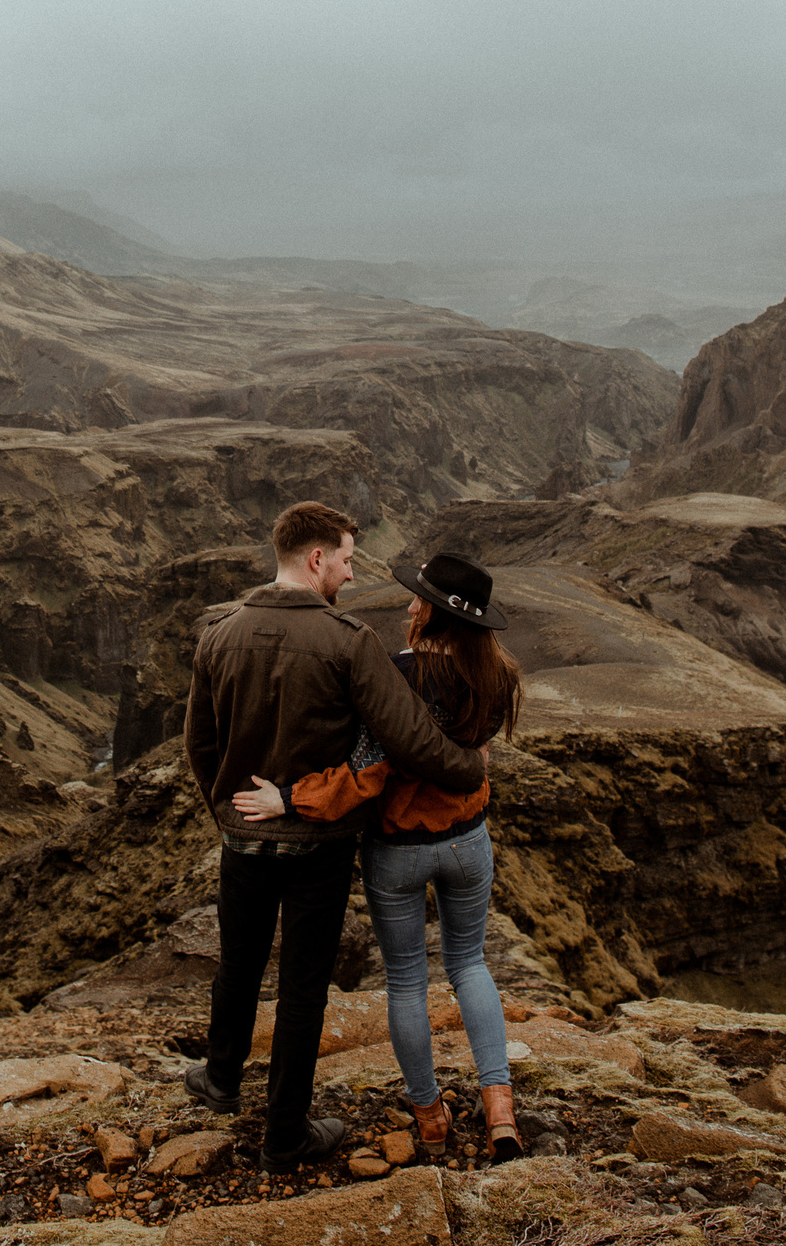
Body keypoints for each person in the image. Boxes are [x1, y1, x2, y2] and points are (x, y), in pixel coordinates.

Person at [183, 501, 488, 1174]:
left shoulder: (218, 634)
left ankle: (221, 1080)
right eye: (348, 559)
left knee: (237, 963)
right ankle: (284, 1134)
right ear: (316, 557)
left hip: (244, 834)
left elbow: (199, 744)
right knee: (301, 987)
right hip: (318, 845)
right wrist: (469, 768)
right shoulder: (349, 642)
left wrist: (228, 810)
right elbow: (409, 737)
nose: (352, 575)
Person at [231, 551, 526, 1164]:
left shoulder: (399, 675)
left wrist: (286, 797)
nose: (409, 606)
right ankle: (499, 1107)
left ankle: (430, 1117)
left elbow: (364, 774)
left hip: (398, 852)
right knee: (470, 965)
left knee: (408, 985)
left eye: (419, 599)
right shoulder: (500, 676)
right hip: (468, 840)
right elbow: (474, 754)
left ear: (436, 615)